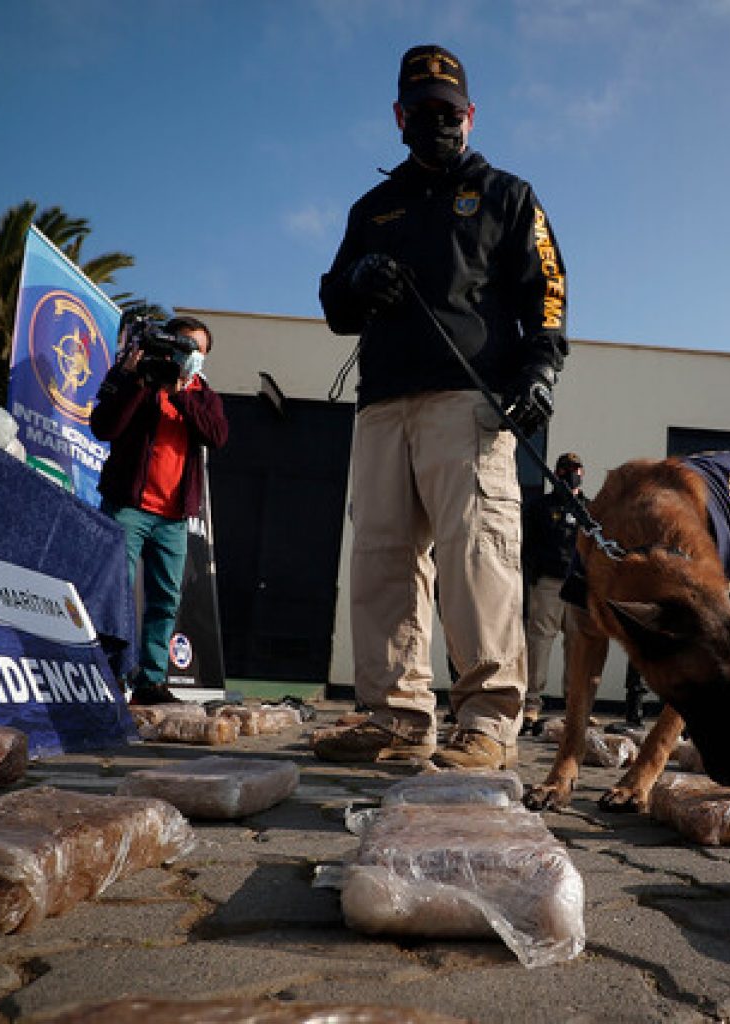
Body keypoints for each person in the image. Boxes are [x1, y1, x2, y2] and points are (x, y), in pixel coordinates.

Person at [317, 44, 568, 769]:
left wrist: (540, 370)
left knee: (477, 556)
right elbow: (335, 305)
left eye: (449, 112)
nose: (438, 122)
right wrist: (358, 279)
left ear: (471, 115)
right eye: (423, 111)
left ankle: (489, 721)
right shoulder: (372, 209)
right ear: (399, 116)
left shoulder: (507, 195)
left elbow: (547, 289)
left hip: (467, 401)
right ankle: (394, 718)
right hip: (381, 404)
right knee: (382, 560)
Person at [90, 315, 228, 705]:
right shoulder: (135, 376)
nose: (192, 355)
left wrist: (180, 393)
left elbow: (216, 436)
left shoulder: (203, 395)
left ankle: (150, 682)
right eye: (186, 345)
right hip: (128, 507)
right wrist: (138, 382)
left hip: (173, 517)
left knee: (165, 600)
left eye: (199, 350)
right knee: (114, 590)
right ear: (168, 343)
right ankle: (108, 675)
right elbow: (104, 426)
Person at [521, 452, 587, 729]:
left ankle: (575, 708)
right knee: (539, 641)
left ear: (582, 474)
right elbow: (527, 544)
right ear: (556, 473)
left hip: (578, 585)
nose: (570, 475)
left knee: (578, 645)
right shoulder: (540, 506)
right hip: (547, 582)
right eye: (565, 470)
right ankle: (531, 703)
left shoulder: (589, 510)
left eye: (575, 470)